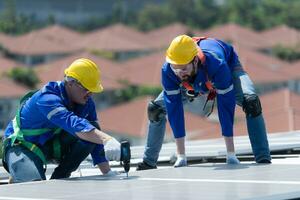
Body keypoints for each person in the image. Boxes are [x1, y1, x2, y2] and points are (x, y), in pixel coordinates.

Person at [137, 35, 271, 170]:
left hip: (227, 69)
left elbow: (225, 107)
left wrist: (231, 153)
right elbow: (174, 110)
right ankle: (149, 162)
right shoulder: (169, 71)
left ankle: (263, 158)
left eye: (183, 68)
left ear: (195, 61)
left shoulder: (217, 64)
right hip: (193, 82)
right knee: (155, 110)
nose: (179, 73)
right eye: (175, 68)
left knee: (251, 102)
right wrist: (181, 155)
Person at [2, 58, 121, 183]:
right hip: (21, 146)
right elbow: (73, 123)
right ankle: (21, 171)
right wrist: (107, 139)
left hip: (49, 144)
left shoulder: (86, 103)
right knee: (35, 187)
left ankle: (60, 176)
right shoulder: (47, 99)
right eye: (87, 89)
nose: (90, 94)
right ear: (71, 83)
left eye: (92, 91)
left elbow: (93, 135)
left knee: (92, 130)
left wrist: (107, 172)